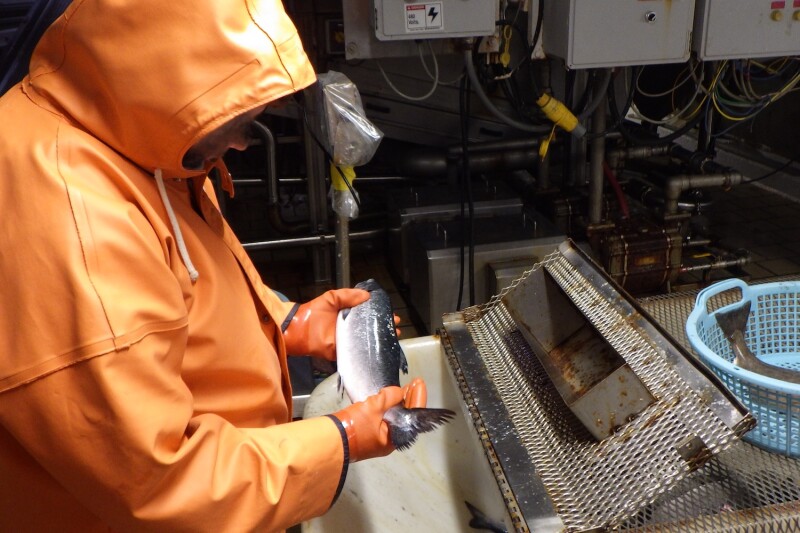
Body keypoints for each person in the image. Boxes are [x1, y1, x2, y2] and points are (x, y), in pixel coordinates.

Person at [0, 0, 426, 531]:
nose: (245, 142)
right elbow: (162, 483)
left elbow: (183, 285)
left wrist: (285, 322)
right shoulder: (72, 215)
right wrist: (342, 440)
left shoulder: (137, 134)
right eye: (238, 120)